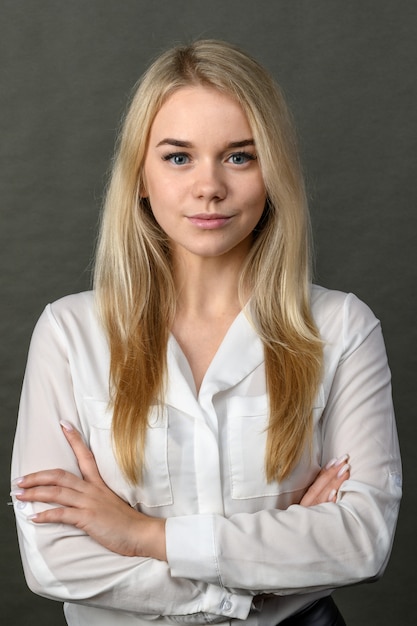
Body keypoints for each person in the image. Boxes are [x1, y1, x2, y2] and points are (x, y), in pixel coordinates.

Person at [11, 40, 401, 626]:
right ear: (140, 177)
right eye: (178, 157)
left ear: (273, 172)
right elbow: (55, 559)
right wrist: (257, 580)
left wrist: (143, 535)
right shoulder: (69, 332)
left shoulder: (342, 327)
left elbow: (361, 541)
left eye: (240, 157)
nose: (209, 186)